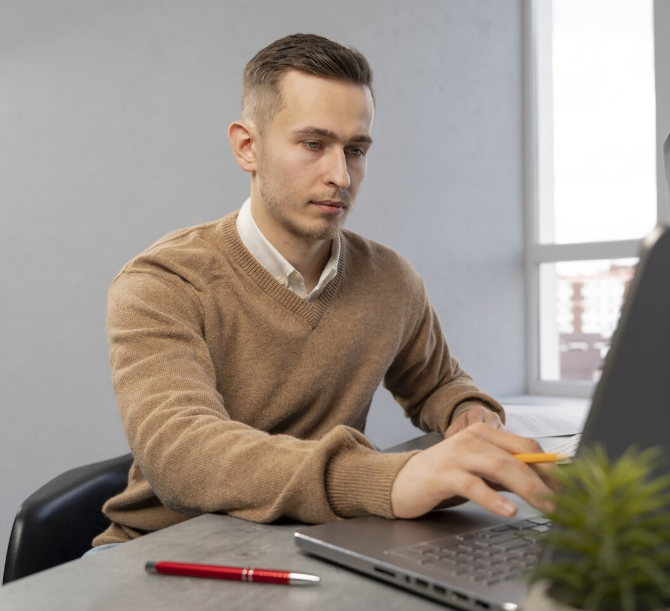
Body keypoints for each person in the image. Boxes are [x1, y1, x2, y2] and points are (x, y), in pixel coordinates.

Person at [93, 33, 555, 547]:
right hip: (167, 555)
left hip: (314, 542)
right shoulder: (161, 283)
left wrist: (469, 416)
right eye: (314, 144)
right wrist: (390, 479)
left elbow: (439, 383)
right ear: (248, 146)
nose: (341, 175)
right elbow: (183, 453)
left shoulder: (391, 279)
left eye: (355, 150)